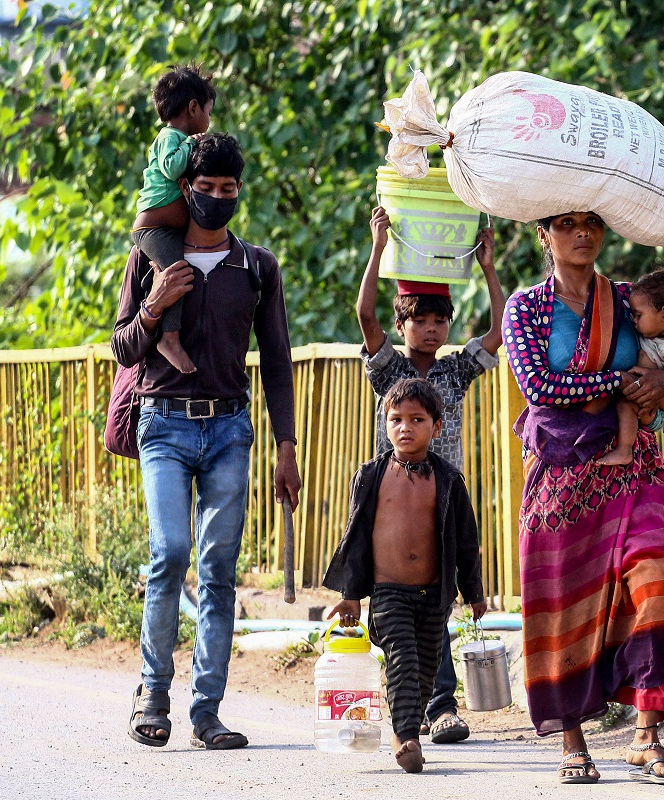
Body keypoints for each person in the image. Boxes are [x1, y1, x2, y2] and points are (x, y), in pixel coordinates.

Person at [113, 133, 303, 750]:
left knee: (219, 567)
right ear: (185, 190)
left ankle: (207, 713)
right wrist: (152, 309)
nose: (217, 199)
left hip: (229, 429)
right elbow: (121, 347)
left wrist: (286, 444)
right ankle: (152, 693)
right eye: (206, 189)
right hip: (163, 422)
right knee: (169, 551)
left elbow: (276, 358)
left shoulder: (256, 266)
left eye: (229, 190)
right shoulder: (149, 257)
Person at [501, 211, 664, 785]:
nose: (582, 234)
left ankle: (646, 736)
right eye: (566, 224)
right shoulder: (526, 308)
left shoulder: (628, 299)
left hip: (634, 469)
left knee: (659, 581)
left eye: (591, 223)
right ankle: (572, 738)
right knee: (568, 606)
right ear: (544, 234)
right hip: (562, 475)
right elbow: (540, 386)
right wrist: (618, 382)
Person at [355, 205, 504, 744]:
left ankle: (440, 708)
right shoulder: (389, 369)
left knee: (437, 602)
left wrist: (487, 267)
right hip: (394, 504)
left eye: (439, 319)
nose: (431, 327)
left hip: (441, 503)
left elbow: (499, 329)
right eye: (419, 319)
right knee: (396, 604)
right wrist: (377, 247)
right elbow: (365, 317)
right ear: (404, 324)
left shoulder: (454, 371)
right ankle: (411, 704)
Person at [324, 378, 487, 773]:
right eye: (396, 419)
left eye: (416, 419)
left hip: (434, 594)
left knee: (427, 667)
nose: (405, 428)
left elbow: (467, 540)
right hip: (388, 592)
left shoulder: (448, 480)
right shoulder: (372, 476)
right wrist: (351, 594)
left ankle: (407, 719)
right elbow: (356, 537)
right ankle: (406, 735)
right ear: (385, 423)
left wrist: (474, 592)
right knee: (403, 659)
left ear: (437, 427)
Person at [130, 64, 217, 375]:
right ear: (193, 108)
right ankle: (169, 338)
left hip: (165, 231)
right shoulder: (171, 136)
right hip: (154, 229)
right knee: (176, 274)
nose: (209, 120)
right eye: (208, 110)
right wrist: (192, 143)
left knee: (172, 271)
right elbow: (170, 167)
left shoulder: (179, 137)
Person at [597, 269, 664, 466]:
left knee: (625, 406)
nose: (634, 321)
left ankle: (624, 450)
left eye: (639, 315)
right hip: (655, 403)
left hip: (658, 408)